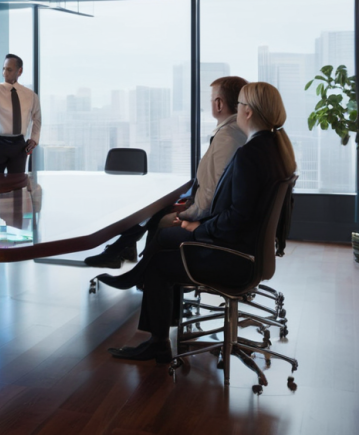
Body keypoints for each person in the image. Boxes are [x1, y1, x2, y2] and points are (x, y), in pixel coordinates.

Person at [96, 82, 296, 362]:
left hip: (232, 256)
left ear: (248, 112)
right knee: (163, 240)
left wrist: (199, 228)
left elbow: (238, 217)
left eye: (239, 106)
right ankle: (140, 287)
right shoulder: (275, 149)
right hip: (247, 251)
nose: (236, 111)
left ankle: (157, 341)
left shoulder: (251, 154)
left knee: (160, 261)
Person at [84, 76, 249, 268]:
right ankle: (127, 258)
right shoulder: (233, 133)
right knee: (155, 212)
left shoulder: (227, 137)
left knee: (155, 218)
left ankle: (140, 269)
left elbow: (214, 191)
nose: (210, 104)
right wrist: (189, 204)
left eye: (212, 99)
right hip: (210, 213)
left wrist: (188, 213)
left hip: (209, 221)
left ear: (219, 104)